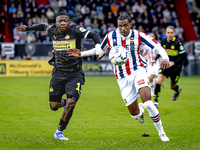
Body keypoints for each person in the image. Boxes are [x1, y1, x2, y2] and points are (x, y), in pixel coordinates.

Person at [68, 13, 170, 141]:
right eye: (120, 26)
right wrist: (81, 54)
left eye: (125, 26)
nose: (123, 29)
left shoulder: (138, 35)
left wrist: (165, 58)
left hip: (138, 71)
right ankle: (140, 113)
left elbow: (157, 46)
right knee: (135, 114)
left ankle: (162, 134)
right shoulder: (111, 36)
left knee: (148, 103)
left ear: (130, 25)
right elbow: (100, 51)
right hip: (122, 78)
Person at [17, 12, 102, 140]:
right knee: (53, 106)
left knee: (71, 102)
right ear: (56, 23)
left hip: (75, 73)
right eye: (60, 21)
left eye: (65, 21)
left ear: (69, 22)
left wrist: (98, 47)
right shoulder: (52, 30)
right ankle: (62, 102)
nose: (63, 23)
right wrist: (27, 28)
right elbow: (42, 26)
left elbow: (94, 35)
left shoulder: (76, 30)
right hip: (58, 73)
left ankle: (59, 131)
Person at [153, 25, 186, 108]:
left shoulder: (178, 43)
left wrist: (173, 63)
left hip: (176, 68)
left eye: (171, 33)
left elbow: (183, 57)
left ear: (174, 33)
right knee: (158, 81)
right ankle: (155, 102)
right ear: (165, 33)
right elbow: (160, 52)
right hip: (165, 66)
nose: (170, 34)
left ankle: (177, 90)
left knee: (172, 86)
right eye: (168, 33)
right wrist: (155, 59)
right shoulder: (163, 41)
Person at [142, 32, 161, 97]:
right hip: (149, 64)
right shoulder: (146, 45)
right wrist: (144, 54)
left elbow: (161, 53)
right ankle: (152, 90)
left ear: (154, 37)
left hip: (156, 64)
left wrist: (155, 56)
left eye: (152, 36)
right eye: (150, 36)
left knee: (150, 78)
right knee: (150, 79)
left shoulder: (157, 44)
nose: (151, 37)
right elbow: (144, 53)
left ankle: (155, 83)